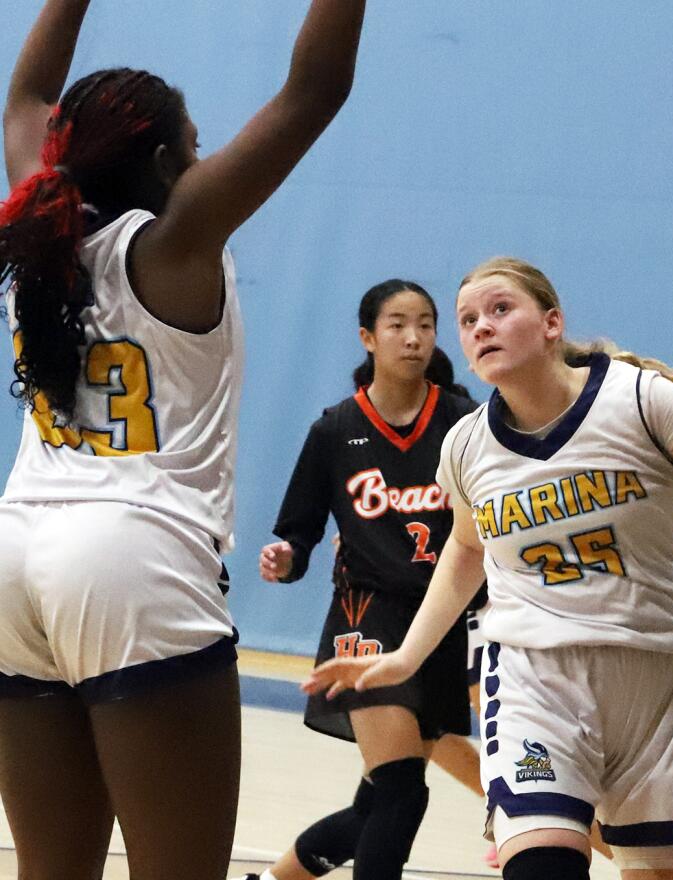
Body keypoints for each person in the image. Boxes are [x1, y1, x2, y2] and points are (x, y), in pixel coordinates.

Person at [0, 1, 363, 877]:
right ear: (165, 162)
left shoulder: (41, 236)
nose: (203, 162)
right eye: (194, 148)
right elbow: (315, 90)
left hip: (14, 555)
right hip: (135, 553)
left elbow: (26, 93)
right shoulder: (172, 240)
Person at [304, 256, 673, 880]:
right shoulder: (466, 443)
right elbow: (465, 549)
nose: (481, 327)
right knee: (540, 864)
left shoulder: (643, 401)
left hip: (656, 675)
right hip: (533, 678)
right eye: (468, 320)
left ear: (551, 323)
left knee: (653, 870)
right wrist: (406, 658)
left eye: (499, 310)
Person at [236, 280, 482, 880]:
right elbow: (300, 529)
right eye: (398, 324)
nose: (414, 336)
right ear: (368, 337)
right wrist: (287, 558)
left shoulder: (465, 422)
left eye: (426, 323)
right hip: (365, 617)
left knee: (374, 804)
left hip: (443, 621)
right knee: (402, 790)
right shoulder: (334, 431)